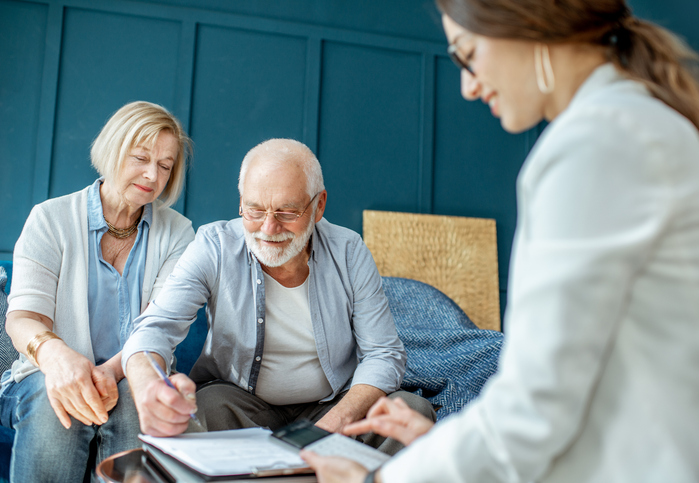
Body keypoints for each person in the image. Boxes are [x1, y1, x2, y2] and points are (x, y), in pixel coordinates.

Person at [302, 0, 699, 482]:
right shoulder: (638, 124)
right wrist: (442, 446)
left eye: (468, 54)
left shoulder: (597, 143)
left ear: (528, 23)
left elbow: (534, 410)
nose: (468, 85)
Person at [122, 138, 435, 454]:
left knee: (412, 411)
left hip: (332, 405)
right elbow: (155, 328)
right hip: (243, 408)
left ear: (319, 206)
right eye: (255, 210)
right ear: (241, 202)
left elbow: (383, 352)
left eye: (287, 211)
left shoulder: (349, 251)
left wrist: (340, 418)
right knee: (207, 407)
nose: (269, 229)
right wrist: (148, 384)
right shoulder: (214, 245)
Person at [0, 101, 195, 482]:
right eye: (141, 158)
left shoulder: (179, 234)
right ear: (112, 150)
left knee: (138, 404)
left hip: (130, 374)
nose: (152, 175)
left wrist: (106, 373)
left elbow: (160, 325)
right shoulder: (50, 218)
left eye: (165, 165)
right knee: (55, 403)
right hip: (39, 374)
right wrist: (60, 360)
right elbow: (23, 318)